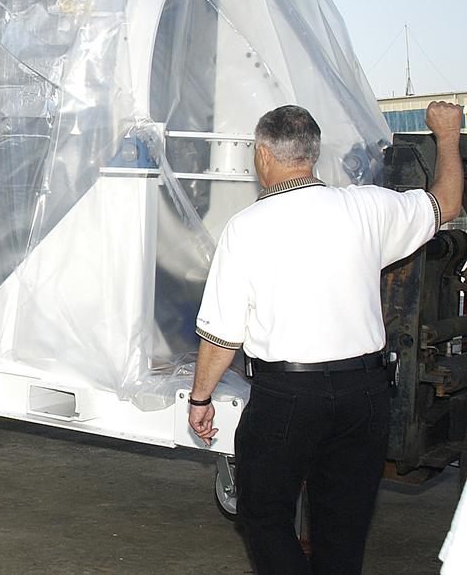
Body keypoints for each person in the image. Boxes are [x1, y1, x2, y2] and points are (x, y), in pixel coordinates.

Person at [188, 102, 464, 574]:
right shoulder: (369, 206)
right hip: (367, 395)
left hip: (288, 398)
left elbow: (221, 338)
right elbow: (446, 202)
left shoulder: (247, 228)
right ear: (312, 154)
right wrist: (447, 135)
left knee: (263, 514)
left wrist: (200, 398)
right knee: (343, 530)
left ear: (262, 156)